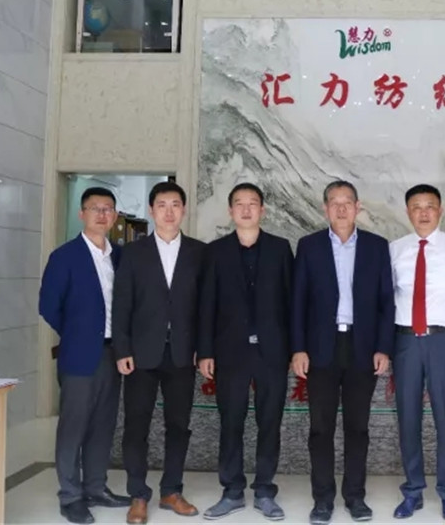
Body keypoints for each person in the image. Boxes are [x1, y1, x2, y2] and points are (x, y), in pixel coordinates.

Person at [290, 181, 395, 525]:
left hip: (362, 347)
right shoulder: (309, 246)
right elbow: (297, 302)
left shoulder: (377, 247)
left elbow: (386, 303)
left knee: (357, 428)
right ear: (325, 208)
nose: (340, 208)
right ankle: (322, 499)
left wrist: (383, 347)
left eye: (347, 202)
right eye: (334, 202)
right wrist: (298, 348)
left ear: (357, 207)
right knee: (320, 428)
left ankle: (355, 497)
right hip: (321, 348)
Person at [198, 183, 294, 521]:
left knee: (270, 422)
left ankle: (265, 490)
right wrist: (205, 351)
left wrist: (295, 349)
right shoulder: (215, 252)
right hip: (230, 352)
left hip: (272, 352)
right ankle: (232, 490)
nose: (246, 209)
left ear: (262, 210)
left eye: (253, 203)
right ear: (230, 211)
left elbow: (292, 303)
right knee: (231, 422)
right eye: (239, 203)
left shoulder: (280, 249)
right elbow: (206, 305)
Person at [112, 181, 205, 525]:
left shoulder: (200, 252)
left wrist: (203, 349)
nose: (169, 211)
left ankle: (171, 491)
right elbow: (122, 305)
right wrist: (122, 348)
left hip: (183, 354)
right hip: (141, 354)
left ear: (184, 209)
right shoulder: (133, 253)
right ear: (151, 211)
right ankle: (138, 494)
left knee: (178, 426)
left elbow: (206, 308)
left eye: (175, 204)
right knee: (136, 425)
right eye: (162, 205)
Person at [39, 187, 131, 525]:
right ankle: (70, 496)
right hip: (79, 355)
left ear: (115, 216)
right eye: (95, 208)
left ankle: (95, 487)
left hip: (113, 354)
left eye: (108, 209)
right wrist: (77, 333)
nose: (102, 215)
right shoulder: (65, 256)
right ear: (82, 214)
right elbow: (48, 305)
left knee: (103, 426)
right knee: (73, 427)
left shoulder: (121, 256)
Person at [389, 184, 445, 521]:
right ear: (407, 212)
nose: (423, 213)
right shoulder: (395, 249)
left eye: (430, 206)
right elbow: (386, 300)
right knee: (407, 417)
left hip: (442, 341)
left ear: (441, 210)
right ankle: (412, 491)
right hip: (405, 341)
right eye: (416, 206)